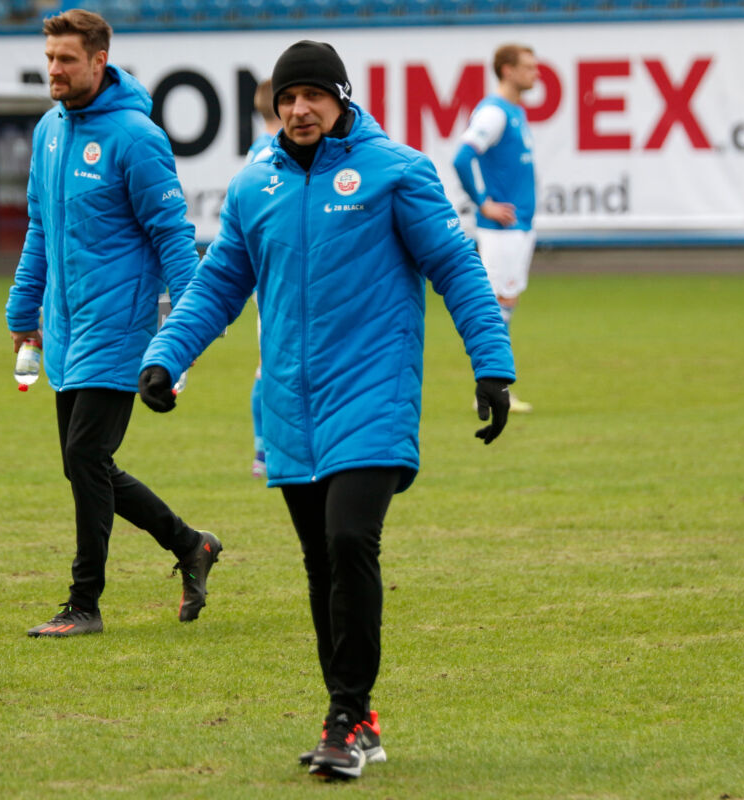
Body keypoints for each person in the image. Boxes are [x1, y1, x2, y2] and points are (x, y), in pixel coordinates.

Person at [135, 41, 516, 781]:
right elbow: (217, 287)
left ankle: (345, 717)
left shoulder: (396, 172)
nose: (298, 109)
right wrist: (165, 356)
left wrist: (492, 367)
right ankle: (357, 713)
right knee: (320, 563)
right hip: (288, 406)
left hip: (373, 394)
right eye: (287, 97)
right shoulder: (255, 187)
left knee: (349, 542)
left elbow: (457, 265)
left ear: (341, 99)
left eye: (312, 95)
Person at [5, 9, 222, 638]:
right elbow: (40, 230)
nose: (55, 70)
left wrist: (186, 329)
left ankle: (84, 603)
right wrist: (25, 313)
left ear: (100, 62)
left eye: (67, 60)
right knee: (86, 464)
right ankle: (191, 544)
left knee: (85, 454)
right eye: (50, 59)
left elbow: (174, 238)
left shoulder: (136, 137)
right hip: (66, 329)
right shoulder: (49, 132)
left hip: (121, 327)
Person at [452, 43, 539, 413]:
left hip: (519, 227)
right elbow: (462, 156)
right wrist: (483, 201)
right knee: (496, 307)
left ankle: (493, 385)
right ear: (506, 70)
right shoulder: (494, 112)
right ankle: (489, 388)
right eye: (528, 67)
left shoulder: (515, 111)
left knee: (507, 302)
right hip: (501, 229)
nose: (535, 73)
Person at [246, 79, 279, 478]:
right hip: (273, 272)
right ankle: (264, 451)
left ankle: (264, 451)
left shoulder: (259, 151)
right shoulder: (270, 154)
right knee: (272, 364)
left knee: (270, 362)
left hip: (268, 270)